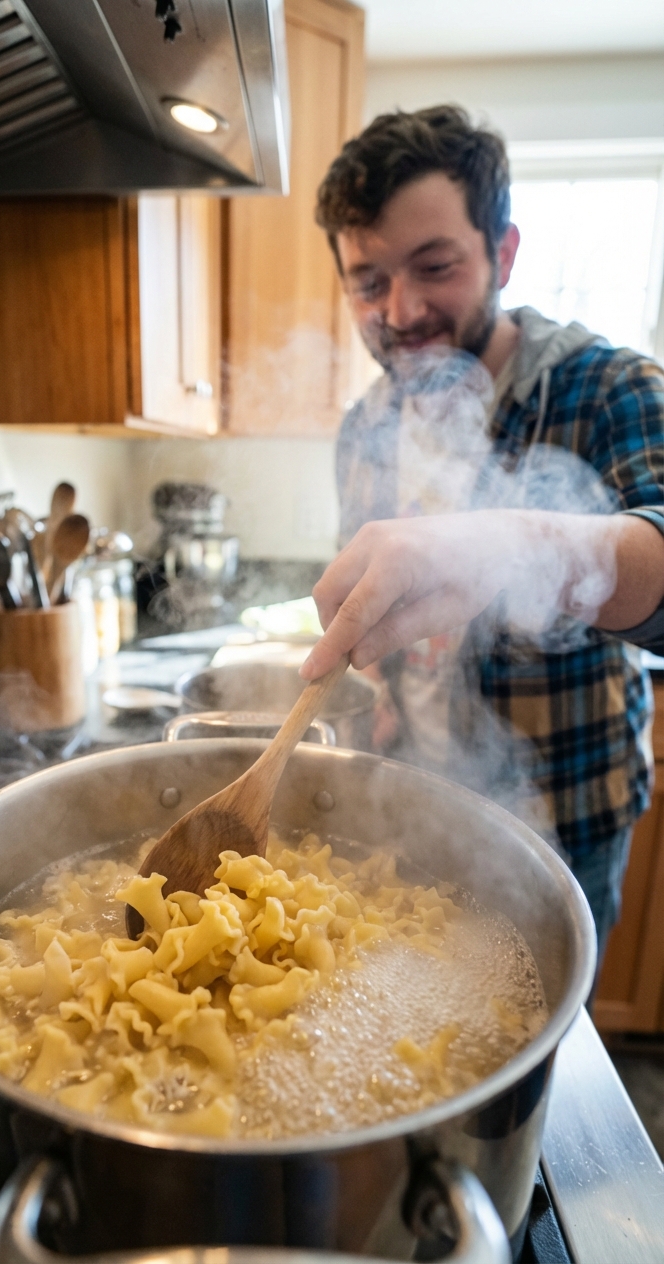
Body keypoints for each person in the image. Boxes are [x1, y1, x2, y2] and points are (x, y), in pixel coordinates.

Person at [300, 105, 664, 965]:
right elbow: (388, 611)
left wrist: (515, 542)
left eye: (436, 266)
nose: (402, 309)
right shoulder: (365, 427)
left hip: (563, 821)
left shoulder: (606, 387)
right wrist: (381, 693)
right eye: (368, 281)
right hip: (412, 811)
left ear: (502, 253)